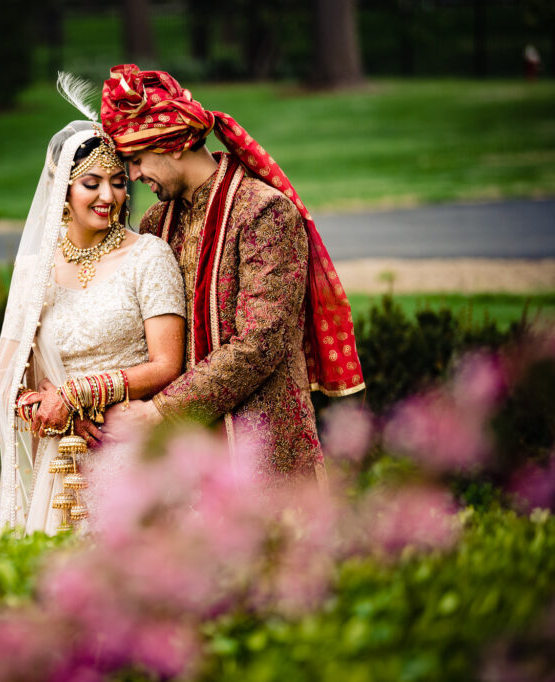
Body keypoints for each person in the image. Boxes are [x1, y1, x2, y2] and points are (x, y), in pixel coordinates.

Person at [97, 64, 366, 486]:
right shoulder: (154, 225)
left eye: (135, 160)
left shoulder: (264, 212)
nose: (131, 177)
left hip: (263, 458)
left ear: (170, 144)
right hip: (179, 466)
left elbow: (261, 343)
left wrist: (160, 411)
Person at [0, 111, 186, 535]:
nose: (109, 196)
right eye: (91, 182)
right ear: (62, 189)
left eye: (118, 181)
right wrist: (61, 414)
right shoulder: (34, 270)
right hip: (62, 460)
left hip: (130, 447)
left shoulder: (148, 257)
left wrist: (79, 393)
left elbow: (167, 363)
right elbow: (8, 382)